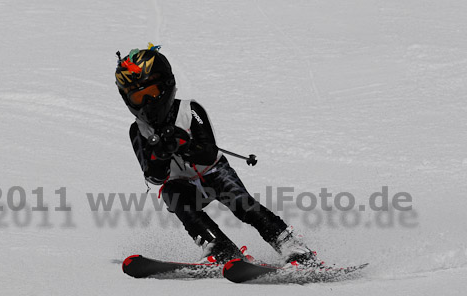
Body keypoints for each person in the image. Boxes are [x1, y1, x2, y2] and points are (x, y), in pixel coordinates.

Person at [115, 44, 320, 267]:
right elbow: (153, 177)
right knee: (171, 193)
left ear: (165, 86)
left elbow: (208, 153)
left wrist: (181, 144)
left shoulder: (189, 110)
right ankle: (219, 247)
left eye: (151, 93)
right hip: (184, 185)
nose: (147, 103)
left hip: (214, 173)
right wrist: (161, 154)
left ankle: (292, 245)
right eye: (138, 98)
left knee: (243, 206)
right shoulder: (138, 131)